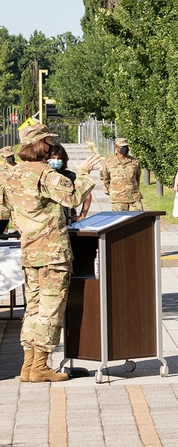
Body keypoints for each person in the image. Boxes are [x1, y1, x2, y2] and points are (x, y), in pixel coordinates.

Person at [1, 125, 99, 383]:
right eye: (46, 141)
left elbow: (4, 211)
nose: (49, 147)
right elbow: (74, 197)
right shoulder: (45, 174)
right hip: (53, 254)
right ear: (39, 144)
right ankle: (41, 365)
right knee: (50, 309)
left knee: (33, 309)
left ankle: (28, 366)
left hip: (29, 254)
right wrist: (86, 174)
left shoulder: (11, 175)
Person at [48, 143, 92, 225]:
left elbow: (87, 194)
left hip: (68, 220)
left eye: (59, 159)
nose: (56, 161)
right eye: (53, 158)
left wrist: (83, 215)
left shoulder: (69, 176)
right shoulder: (42, 176)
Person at [100, 138, 143, 211]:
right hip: (118, 199)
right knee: (120, 221)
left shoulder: (134, 162)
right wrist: (110, 191)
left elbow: (137, 176)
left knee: (139, 220)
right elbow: (104, 178)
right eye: (123, 147)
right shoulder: (109, 163)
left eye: (126, 147)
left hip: (134, 198)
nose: (125, 149)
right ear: (116, 147)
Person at [0, 146, 15, 229]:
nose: (10, 158)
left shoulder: (19, 168)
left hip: (16, 201)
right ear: (3, 157)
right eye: (8, 156)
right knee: (2, 228)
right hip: (3, 202)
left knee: (19, 227)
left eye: (11, 155)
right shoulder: (0, 169)